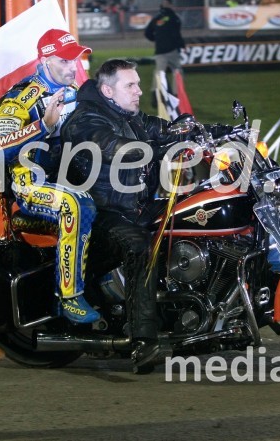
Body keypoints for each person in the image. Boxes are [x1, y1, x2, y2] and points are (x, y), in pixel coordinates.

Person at [61, 59, 231, 371]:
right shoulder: (85, 120)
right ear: (108, 90)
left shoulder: (132, 116)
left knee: (195, 211)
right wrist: (161, 143)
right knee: (142, 248)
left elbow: (165, 129)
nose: (140, 90)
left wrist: (216, 131)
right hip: (100, 214)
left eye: (138, 83)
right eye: (131, 85)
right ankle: (143, 339)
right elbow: (119, 147)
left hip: (134, 208)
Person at [0, 28, 99, 324]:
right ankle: (70, 297)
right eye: (64, 61)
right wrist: (43, 125)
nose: (70, 66)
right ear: (45, 59)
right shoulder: (20, 99)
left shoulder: (76, 90)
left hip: (72, 178)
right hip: (31, 187)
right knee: (76, 205)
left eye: (74, 59)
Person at [144, 0, 186, 106]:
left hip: (160, 51)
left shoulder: (157, 18)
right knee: (177, 72)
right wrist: (181, 44)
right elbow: (176, 33)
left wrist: (156, 39)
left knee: (158, 74)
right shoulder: (174, 17)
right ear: (171, 6)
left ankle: (155, 98)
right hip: (172, 50)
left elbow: (147, 32)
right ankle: (176, 96)